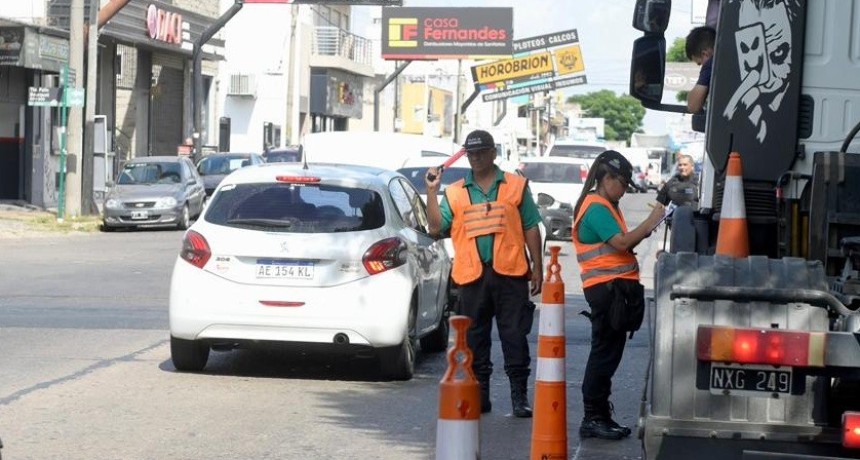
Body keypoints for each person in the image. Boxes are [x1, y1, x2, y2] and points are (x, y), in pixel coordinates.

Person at [425, 129, 544, 418]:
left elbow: (530, 226)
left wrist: (537, 267)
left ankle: (519, 397)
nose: (476, 158)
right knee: (475, 340)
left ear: (493, 153)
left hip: (511, 274)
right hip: (472, 278)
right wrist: (431, 191)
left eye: (481, 152)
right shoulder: (454, 192)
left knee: (514, 336)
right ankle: (481, 396)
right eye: (471, 153)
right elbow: (435, 228)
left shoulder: (515, 186)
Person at [572, 150, 665, 440]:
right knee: (604, 355)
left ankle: (599, 415)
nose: (624, 191)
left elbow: (620, 246)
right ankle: (593, 417)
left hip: (613, 290)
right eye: (622, 183)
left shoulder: (606, 206)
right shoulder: (597, 207)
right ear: (606, 178)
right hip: (606, 291)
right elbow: (622, 243)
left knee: (608, 354)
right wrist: (652, 219)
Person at [686, 25, 716, 114]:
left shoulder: (711, 63)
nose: (702, 66)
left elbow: (693, 106)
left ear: (704, 54)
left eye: (700, 63)